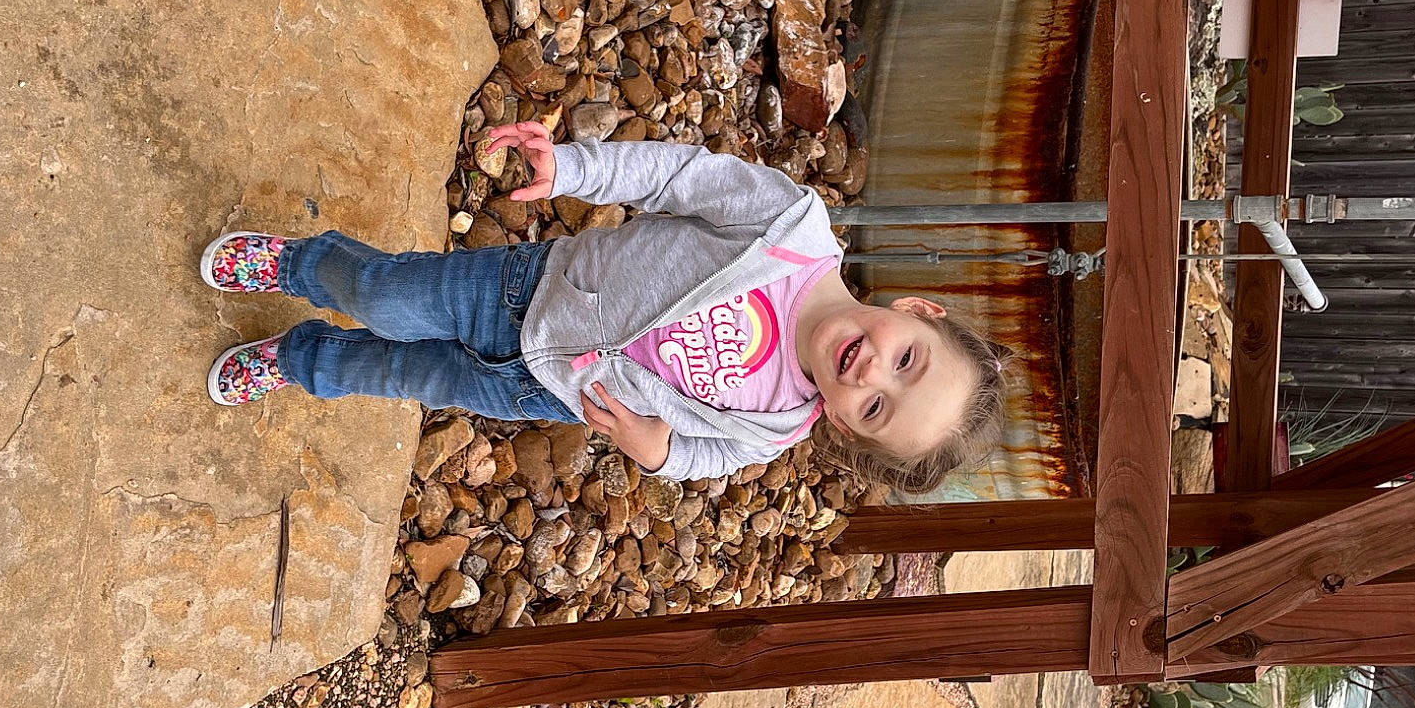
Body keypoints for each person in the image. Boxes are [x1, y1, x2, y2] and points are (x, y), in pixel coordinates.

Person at [202, 122, 1008, 493]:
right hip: (533, 289)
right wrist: (577, 170)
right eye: (906, 360)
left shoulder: (777, 426)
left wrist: (660, 454)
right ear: (918, 309)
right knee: (386, 295)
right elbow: (678, 179)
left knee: (401, 373)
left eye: (874, 407)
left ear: (842, 423)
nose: (873, 371)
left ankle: (297, 359)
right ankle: (298, 264)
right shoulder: (790, 229)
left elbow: (709, 459)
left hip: (539, 391)